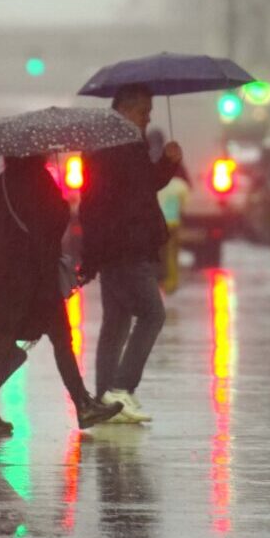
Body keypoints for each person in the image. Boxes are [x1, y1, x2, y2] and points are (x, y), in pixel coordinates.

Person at [0, 155, 123, 434]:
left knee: (5, 341)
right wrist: (62, 205)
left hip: (6, 279)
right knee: (61, 340)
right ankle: (81, 405)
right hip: (37, 279)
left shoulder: (0, 184)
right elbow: (53, 223)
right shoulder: (38, 181)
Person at [81, 84, 185, 425]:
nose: (149, 117)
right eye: (144, 111)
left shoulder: (109, 143)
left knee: (116, 321)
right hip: (127, 246)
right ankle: (121, 390)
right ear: (125, 110)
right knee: (153, 315)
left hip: (113, 248)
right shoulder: (121, 145)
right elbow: (129, 196)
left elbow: (141, 185)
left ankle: (105, 399)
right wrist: (165, 165)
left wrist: (167, 164)